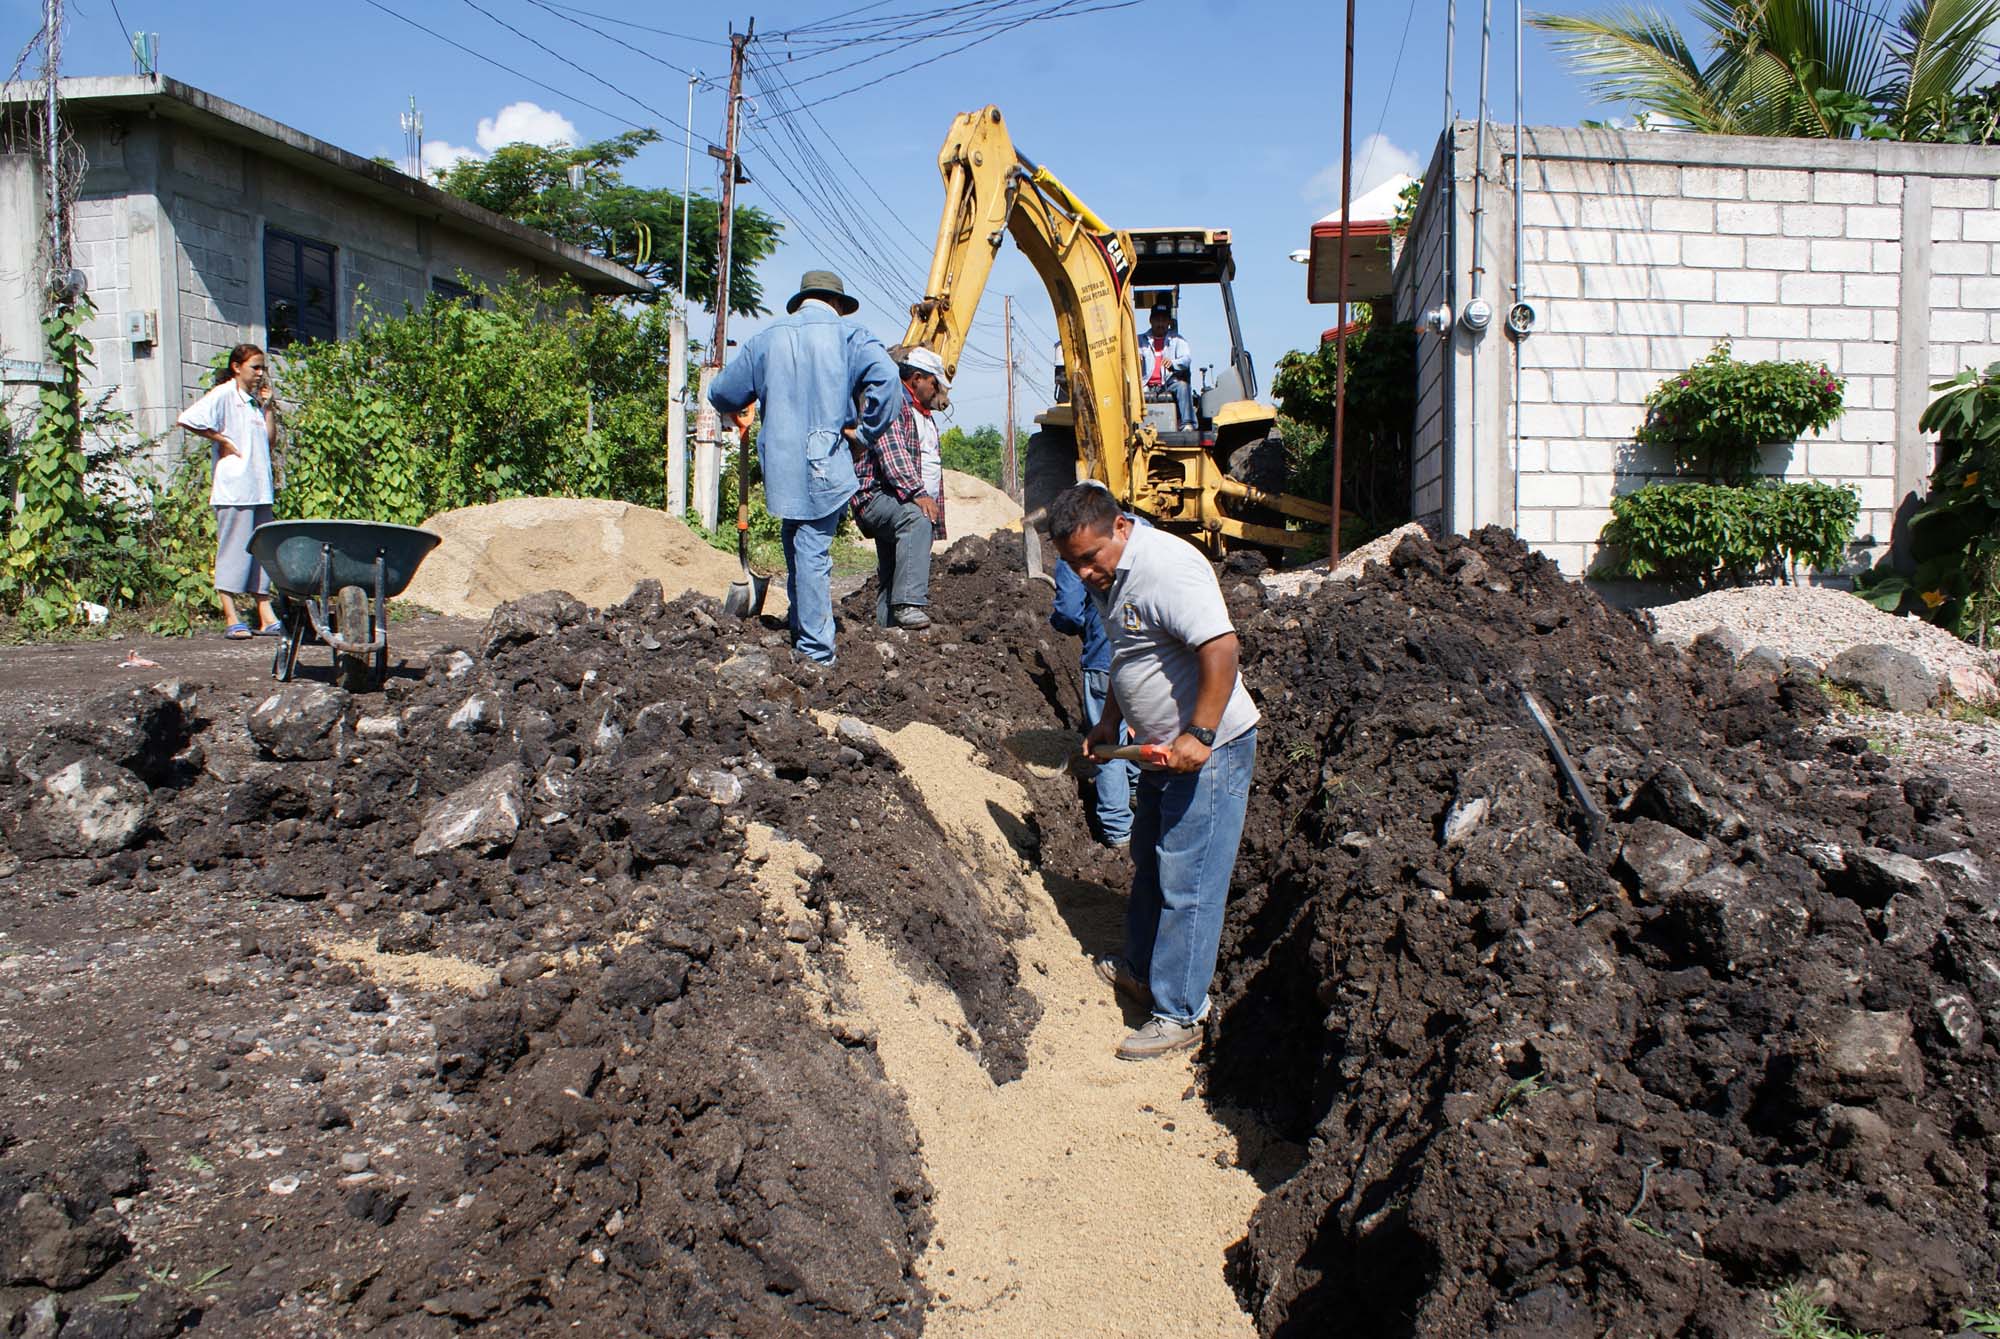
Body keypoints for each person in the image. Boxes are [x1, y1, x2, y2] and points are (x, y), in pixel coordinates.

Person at [1048, 482, 1258, 1061]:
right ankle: (1141, 972)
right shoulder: (1108, 579)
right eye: (1072, 563)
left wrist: (1201, 734)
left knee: (1190, 882)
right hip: (1159, 750)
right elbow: (1129, 656)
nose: (1084, 573)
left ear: (1120, 526)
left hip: (1210, 750)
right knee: (1152, 863)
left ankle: (1180, 1011)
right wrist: (1109, 722)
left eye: (1090, 557)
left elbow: (1221, 649)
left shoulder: (1167, 566)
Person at [708, 269, 903, 665]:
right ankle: (816, 652)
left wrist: (748, 399)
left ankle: (803, 627)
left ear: (802, 302)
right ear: (837, 304)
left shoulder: (767, 338)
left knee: (795, 540)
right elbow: (889, 383)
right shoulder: (850, 336)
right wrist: (865, 435)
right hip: (824, 459)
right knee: (811, 549)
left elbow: (721, 392)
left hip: (781, 465)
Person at [1048, 494, 1149, 848]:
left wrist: (1062, 622)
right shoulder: (1141, 535)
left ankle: (1118, 829)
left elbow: (1069, 612)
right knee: (1138, 732)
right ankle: (1139, 794)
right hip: (1143, 661)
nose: (1083, 569)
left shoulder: (1078, 543)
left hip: (1103, 658)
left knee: (1107, 746)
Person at [176, 343, 281, 639]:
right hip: (235, 487)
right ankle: (232, 616)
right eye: (255, 367)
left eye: (262, 368)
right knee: (234, 550)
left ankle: (265, 615)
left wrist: (268, 408)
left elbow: (269, 441)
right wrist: (220, 439)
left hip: (259, 488)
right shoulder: (224, 394)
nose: (260, 373)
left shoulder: (254, 402)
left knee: (262, 550)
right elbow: (187, 419)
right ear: (237, 367)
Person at [850, 347, 950, 630]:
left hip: (897, 499)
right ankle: (908, 604)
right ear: (916, 378)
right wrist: (919, 494)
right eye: (934, 383)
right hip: (877, 496)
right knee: (916, 520)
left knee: (893, 569)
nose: (937, 392)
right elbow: (893, 454)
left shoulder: (921, 414)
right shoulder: (893, 403)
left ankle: (888, 631)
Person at [1141, 303, 1195, 431]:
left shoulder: (1177, 340)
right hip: (1144, 384)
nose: (1160, 323)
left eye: (1164, 320)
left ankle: (1188, 424)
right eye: (1157, 320)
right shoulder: (1140, 341)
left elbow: (1186, 359)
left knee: (1182, 386)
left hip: (1168, 383)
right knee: (1129, 393)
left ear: (1169, 322)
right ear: (1151, 320)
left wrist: (1173, 363)